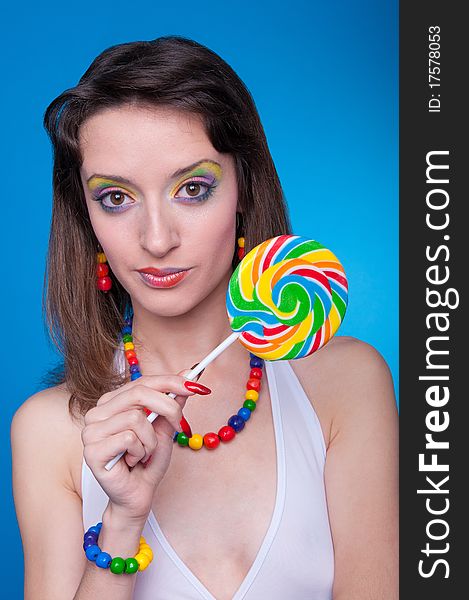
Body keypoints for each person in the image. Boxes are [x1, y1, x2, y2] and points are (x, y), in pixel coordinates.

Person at [11, 35, 398, 600]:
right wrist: (122, 521)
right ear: (85, 215)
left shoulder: (347, 384)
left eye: (193, 188)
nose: (157, 238)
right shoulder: (48, 432)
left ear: (242, 189)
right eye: (116, 198)